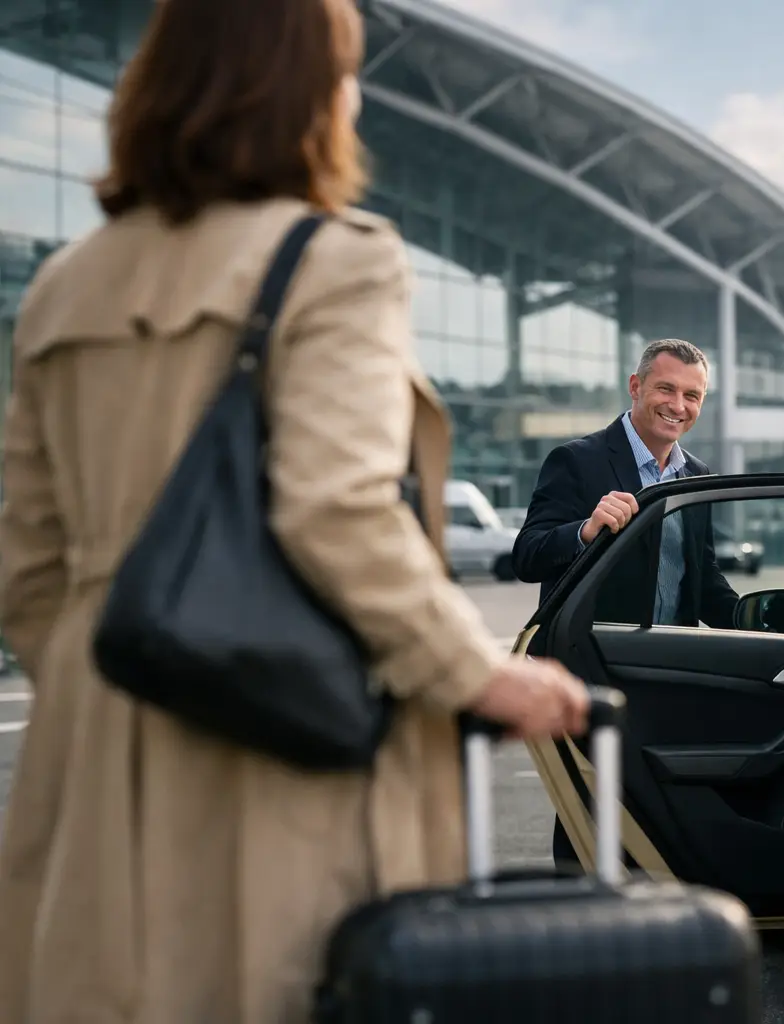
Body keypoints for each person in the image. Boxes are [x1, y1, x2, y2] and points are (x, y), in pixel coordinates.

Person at [0, 1, 589, 1021]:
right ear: (305, 93)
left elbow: (23, 561)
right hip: (275, 756)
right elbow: (338, 509)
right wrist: (475, 673)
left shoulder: (64, 284)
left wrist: (120, 678)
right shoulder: (335, 259)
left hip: (92, 759)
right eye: (346, 72)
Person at [510, 338, 740, 629]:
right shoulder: (575, 460)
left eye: (692, 395)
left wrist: (759, 624)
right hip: (593, 663)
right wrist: (584, 532)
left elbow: (702, 578)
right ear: (635, 387)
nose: (678, 405)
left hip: (673, 661)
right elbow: (526, 557)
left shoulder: (697, 474)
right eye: (666, 388)